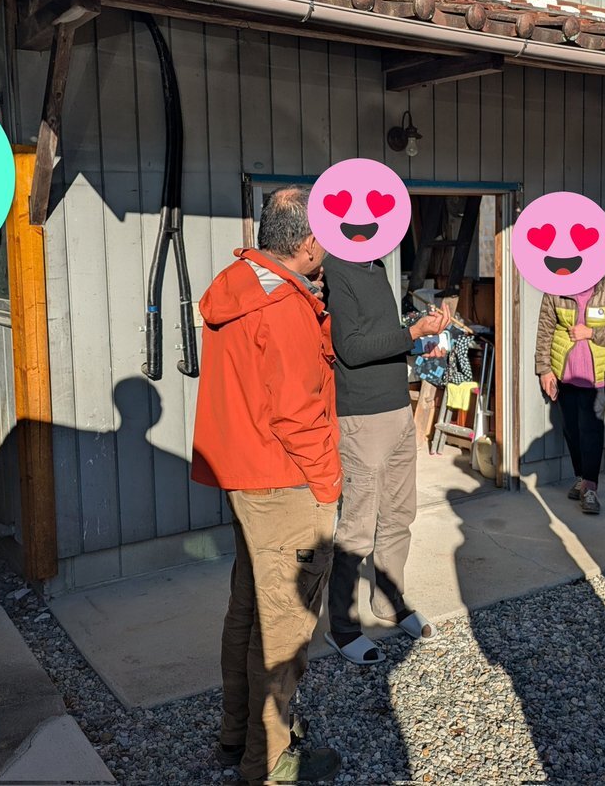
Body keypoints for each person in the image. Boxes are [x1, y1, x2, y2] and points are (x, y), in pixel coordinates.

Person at [191, 187, 342, 785]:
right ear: (307, 243)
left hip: (245, 474)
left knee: (249, 611)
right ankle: (270, 762)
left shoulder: (243, 284)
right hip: (285, 482)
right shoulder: (282, 306)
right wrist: (328, 489)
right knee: (283, 629)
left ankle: (237, 737)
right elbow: (298, 411)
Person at [320, 253, 448, 666]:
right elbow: (351, 348)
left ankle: (389, 601)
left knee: (399, 515)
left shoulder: (376, 267)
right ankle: (343, 626)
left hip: (396, 410)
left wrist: (420, 342)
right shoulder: (335, 269)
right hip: (361, 415)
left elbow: (383, 338)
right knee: (357, 526)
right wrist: (413, 332)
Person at [534, 273, 605, 515]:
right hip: (564, 375)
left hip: (598, 377)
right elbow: (544, 332)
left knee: (591, 431)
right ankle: (580, 476)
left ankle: (590, 487)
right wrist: (544, 370)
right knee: (571, 429)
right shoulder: (555, 291)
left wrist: (590, 333)